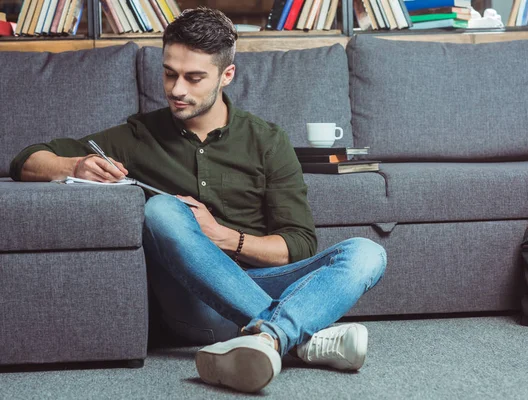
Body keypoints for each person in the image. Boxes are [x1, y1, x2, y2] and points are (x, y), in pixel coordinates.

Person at [9, 7, 387, 393]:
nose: (177, 89)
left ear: (227, 75)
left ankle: (268, 338)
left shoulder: (267, 140)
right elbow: (25, 159)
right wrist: (75, 163)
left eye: (194, 77)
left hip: (260, 282)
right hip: (193, 306)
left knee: (366, 253)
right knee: (160, 210)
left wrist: (223, 237)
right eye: (169, 73)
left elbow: (299, 244)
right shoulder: (139, 135)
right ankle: (297, 335)